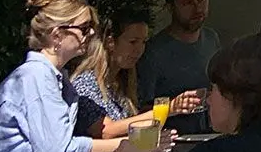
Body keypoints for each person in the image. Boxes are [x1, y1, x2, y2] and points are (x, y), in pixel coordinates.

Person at [0, 0, 166, 152]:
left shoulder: (55, 78)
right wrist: (132, 144)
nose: (92, 33)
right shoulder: (36, 77)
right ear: (57, 36)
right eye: (84, 28)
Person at [71, 13, 203, 139]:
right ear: (110, 42)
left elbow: (134, 121)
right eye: (133, 42)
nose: (139, 50)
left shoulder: (124, 82)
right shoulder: (86, 82)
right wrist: (167, 110)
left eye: (143, 42)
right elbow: (106, 131)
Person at [138, 0, 219, 134]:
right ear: (171, 7)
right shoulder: (154, 52)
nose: (197, 9)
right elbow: (139, 109)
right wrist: (172, 106)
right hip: (173, 140)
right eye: (187, 3)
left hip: (210, 135)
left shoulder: (211, 39)